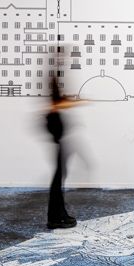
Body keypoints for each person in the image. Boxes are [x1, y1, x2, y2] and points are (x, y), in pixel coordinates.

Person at [45, 77, 83, 229]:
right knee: (57, 183)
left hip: (60, 146)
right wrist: (79, 101)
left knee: (58, 181)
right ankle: (55, 218)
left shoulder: (55, 108)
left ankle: (59, 215)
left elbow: (61, 102)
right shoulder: (53, 109)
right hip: (58, 146)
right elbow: (60, 103)